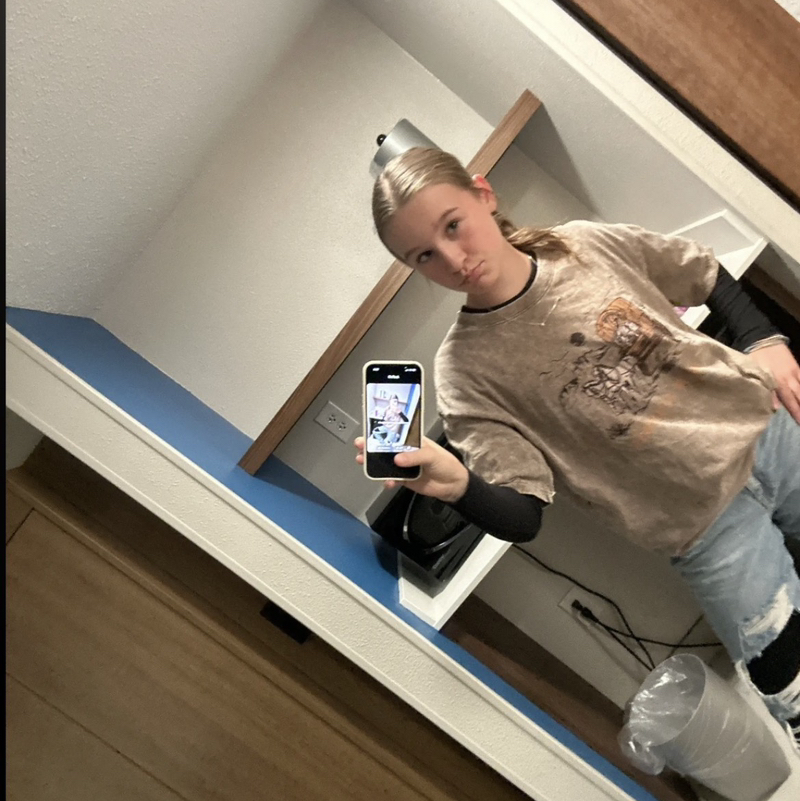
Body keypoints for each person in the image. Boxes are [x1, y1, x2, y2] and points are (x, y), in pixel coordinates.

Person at [354, 146, 800, 745]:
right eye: (424, 256)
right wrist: (459, 487)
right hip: (703, 529)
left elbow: (701, 271)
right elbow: (523, 515)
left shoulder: (582, 244)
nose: (453, 260)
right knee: (790, 687)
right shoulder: (463, 374)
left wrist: (763, 339)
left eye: (453, 225)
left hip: (769, 433)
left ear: (483, 194)